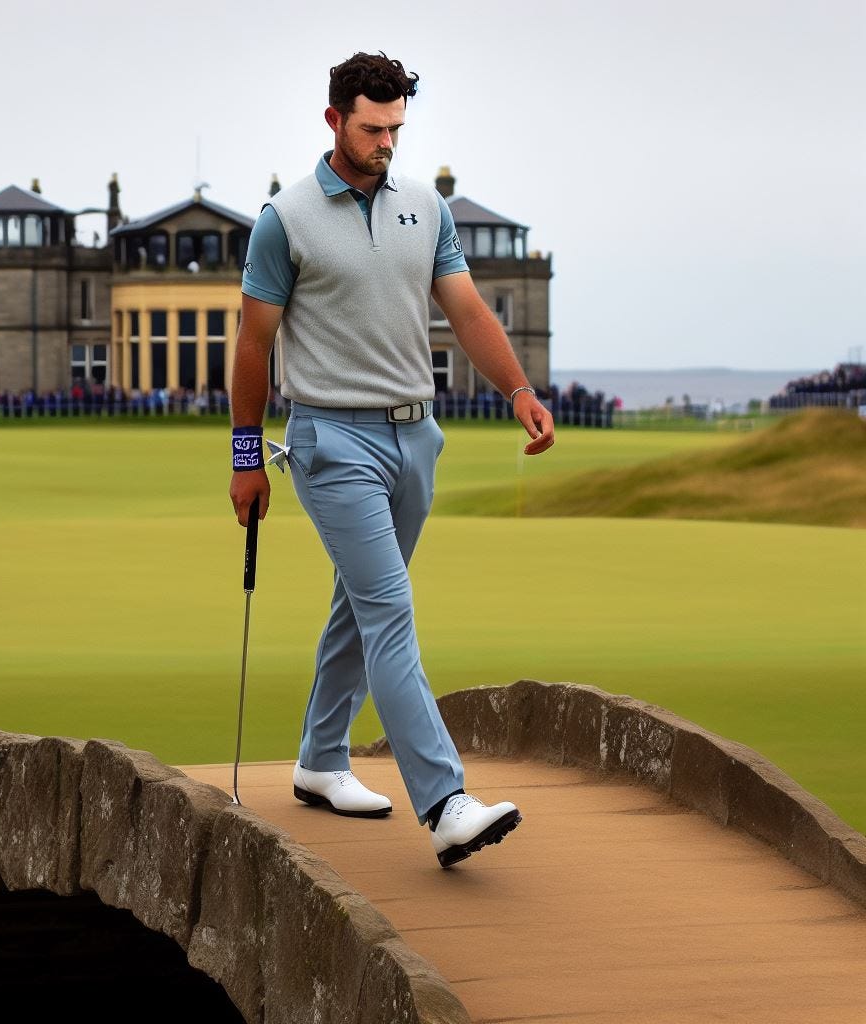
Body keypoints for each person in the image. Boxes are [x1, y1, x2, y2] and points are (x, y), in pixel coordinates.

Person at [229, 51, 555, 868]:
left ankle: (320, 758)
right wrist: (246, 456)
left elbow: (467, 309)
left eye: (397, 128)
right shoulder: (286, 218)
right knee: (389, 610)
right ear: (335, 119)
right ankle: (445, 802)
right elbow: (253, 342)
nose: (386, 143)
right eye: (373, 128)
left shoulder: (425, 207)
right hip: (331, 442)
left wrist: (517, 389)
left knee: (361, 602)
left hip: (417, 436)